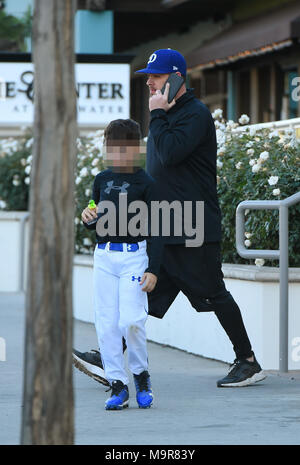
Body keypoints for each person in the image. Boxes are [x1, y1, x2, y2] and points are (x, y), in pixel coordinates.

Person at [73, 49, 266, 389]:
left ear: (176, 78)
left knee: (213, 292)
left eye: (157, 76)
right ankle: (110, 358)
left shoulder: (194, 115)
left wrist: (157, 115)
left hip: (192, 226)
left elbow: (169, 152)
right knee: (145, 294)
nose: (149, 82)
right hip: (165, 224)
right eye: (148, 76)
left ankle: (248, 361)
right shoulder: (168, 115)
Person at [76, 118, 164, 410]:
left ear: (137, 148)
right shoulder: (101, 179)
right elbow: (94, 212)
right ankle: (118, 384)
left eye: (124, 148)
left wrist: (153, 269)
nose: (118, 153)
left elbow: (158, 231)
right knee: (107, 324)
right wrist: (87, 217)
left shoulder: (146, 182)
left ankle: (141, 376)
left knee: (131, 321)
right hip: (104, 257)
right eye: (112, 147)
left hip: (134, 258)